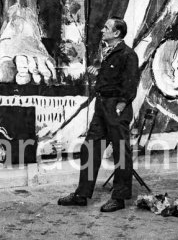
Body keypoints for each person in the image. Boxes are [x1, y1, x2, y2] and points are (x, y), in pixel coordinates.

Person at [58, 17, 140, 212]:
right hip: (102, 106)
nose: (102, 30)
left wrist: (120, 105)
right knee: (90, 148)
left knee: (120, 153)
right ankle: (81, 194)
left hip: (116, 107)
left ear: (116, 33)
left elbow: (130, 84)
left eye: (106, 28)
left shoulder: (128, 54)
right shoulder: (108, 52)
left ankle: (119, 198)